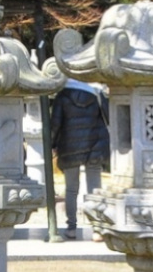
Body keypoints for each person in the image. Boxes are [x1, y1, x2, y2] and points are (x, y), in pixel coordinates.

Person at [51, 80, 110, 235]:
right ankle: (97, 228)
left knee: (71, 189)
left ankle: (71, 228)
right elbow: (109, 117)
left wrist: (51, 144)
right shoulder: (97, 93)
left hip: (69, 145)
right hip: (95, 144)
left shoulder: (62, 95)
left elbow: (55, 124)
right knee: (94, 188)